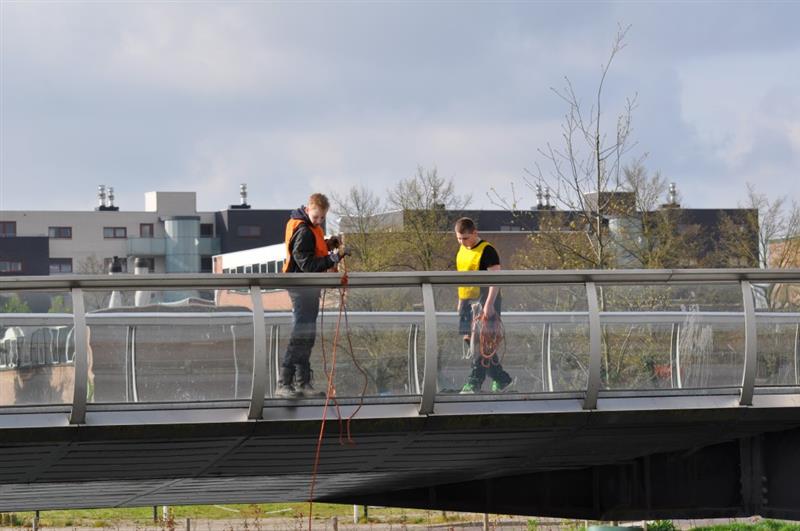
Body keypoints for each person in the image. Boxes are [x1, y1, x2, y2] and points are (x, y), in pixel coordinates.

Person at [279, 193, 346, 398]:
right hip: (301, 288)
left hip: (307, 288)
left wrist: (328, 245)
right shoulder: (304, 230)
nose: (319, 221)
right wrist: (332, 258)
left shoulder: (310, 228)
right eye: (316, 217)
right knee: (301, 334)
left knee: (307, 335)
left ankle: (302, 382)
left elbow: (311, 251)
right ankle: (285, 382)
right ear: (308, 210)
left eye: (322, 218)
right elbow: (306, 265)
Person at [454, 217, 513, 394]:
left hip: (483, 301)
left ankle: (475, 381)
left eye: (465, 238)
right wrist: (460, 301)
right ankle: (501, 378)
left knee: (481, 342)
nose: (462, 242)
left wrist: (489, 304)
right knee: (469, 340)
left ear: (475, 233)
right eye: (458, 238)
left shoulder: (487, 250)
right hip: (467, 301)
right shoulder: (462, 249)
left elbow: (496, 279)